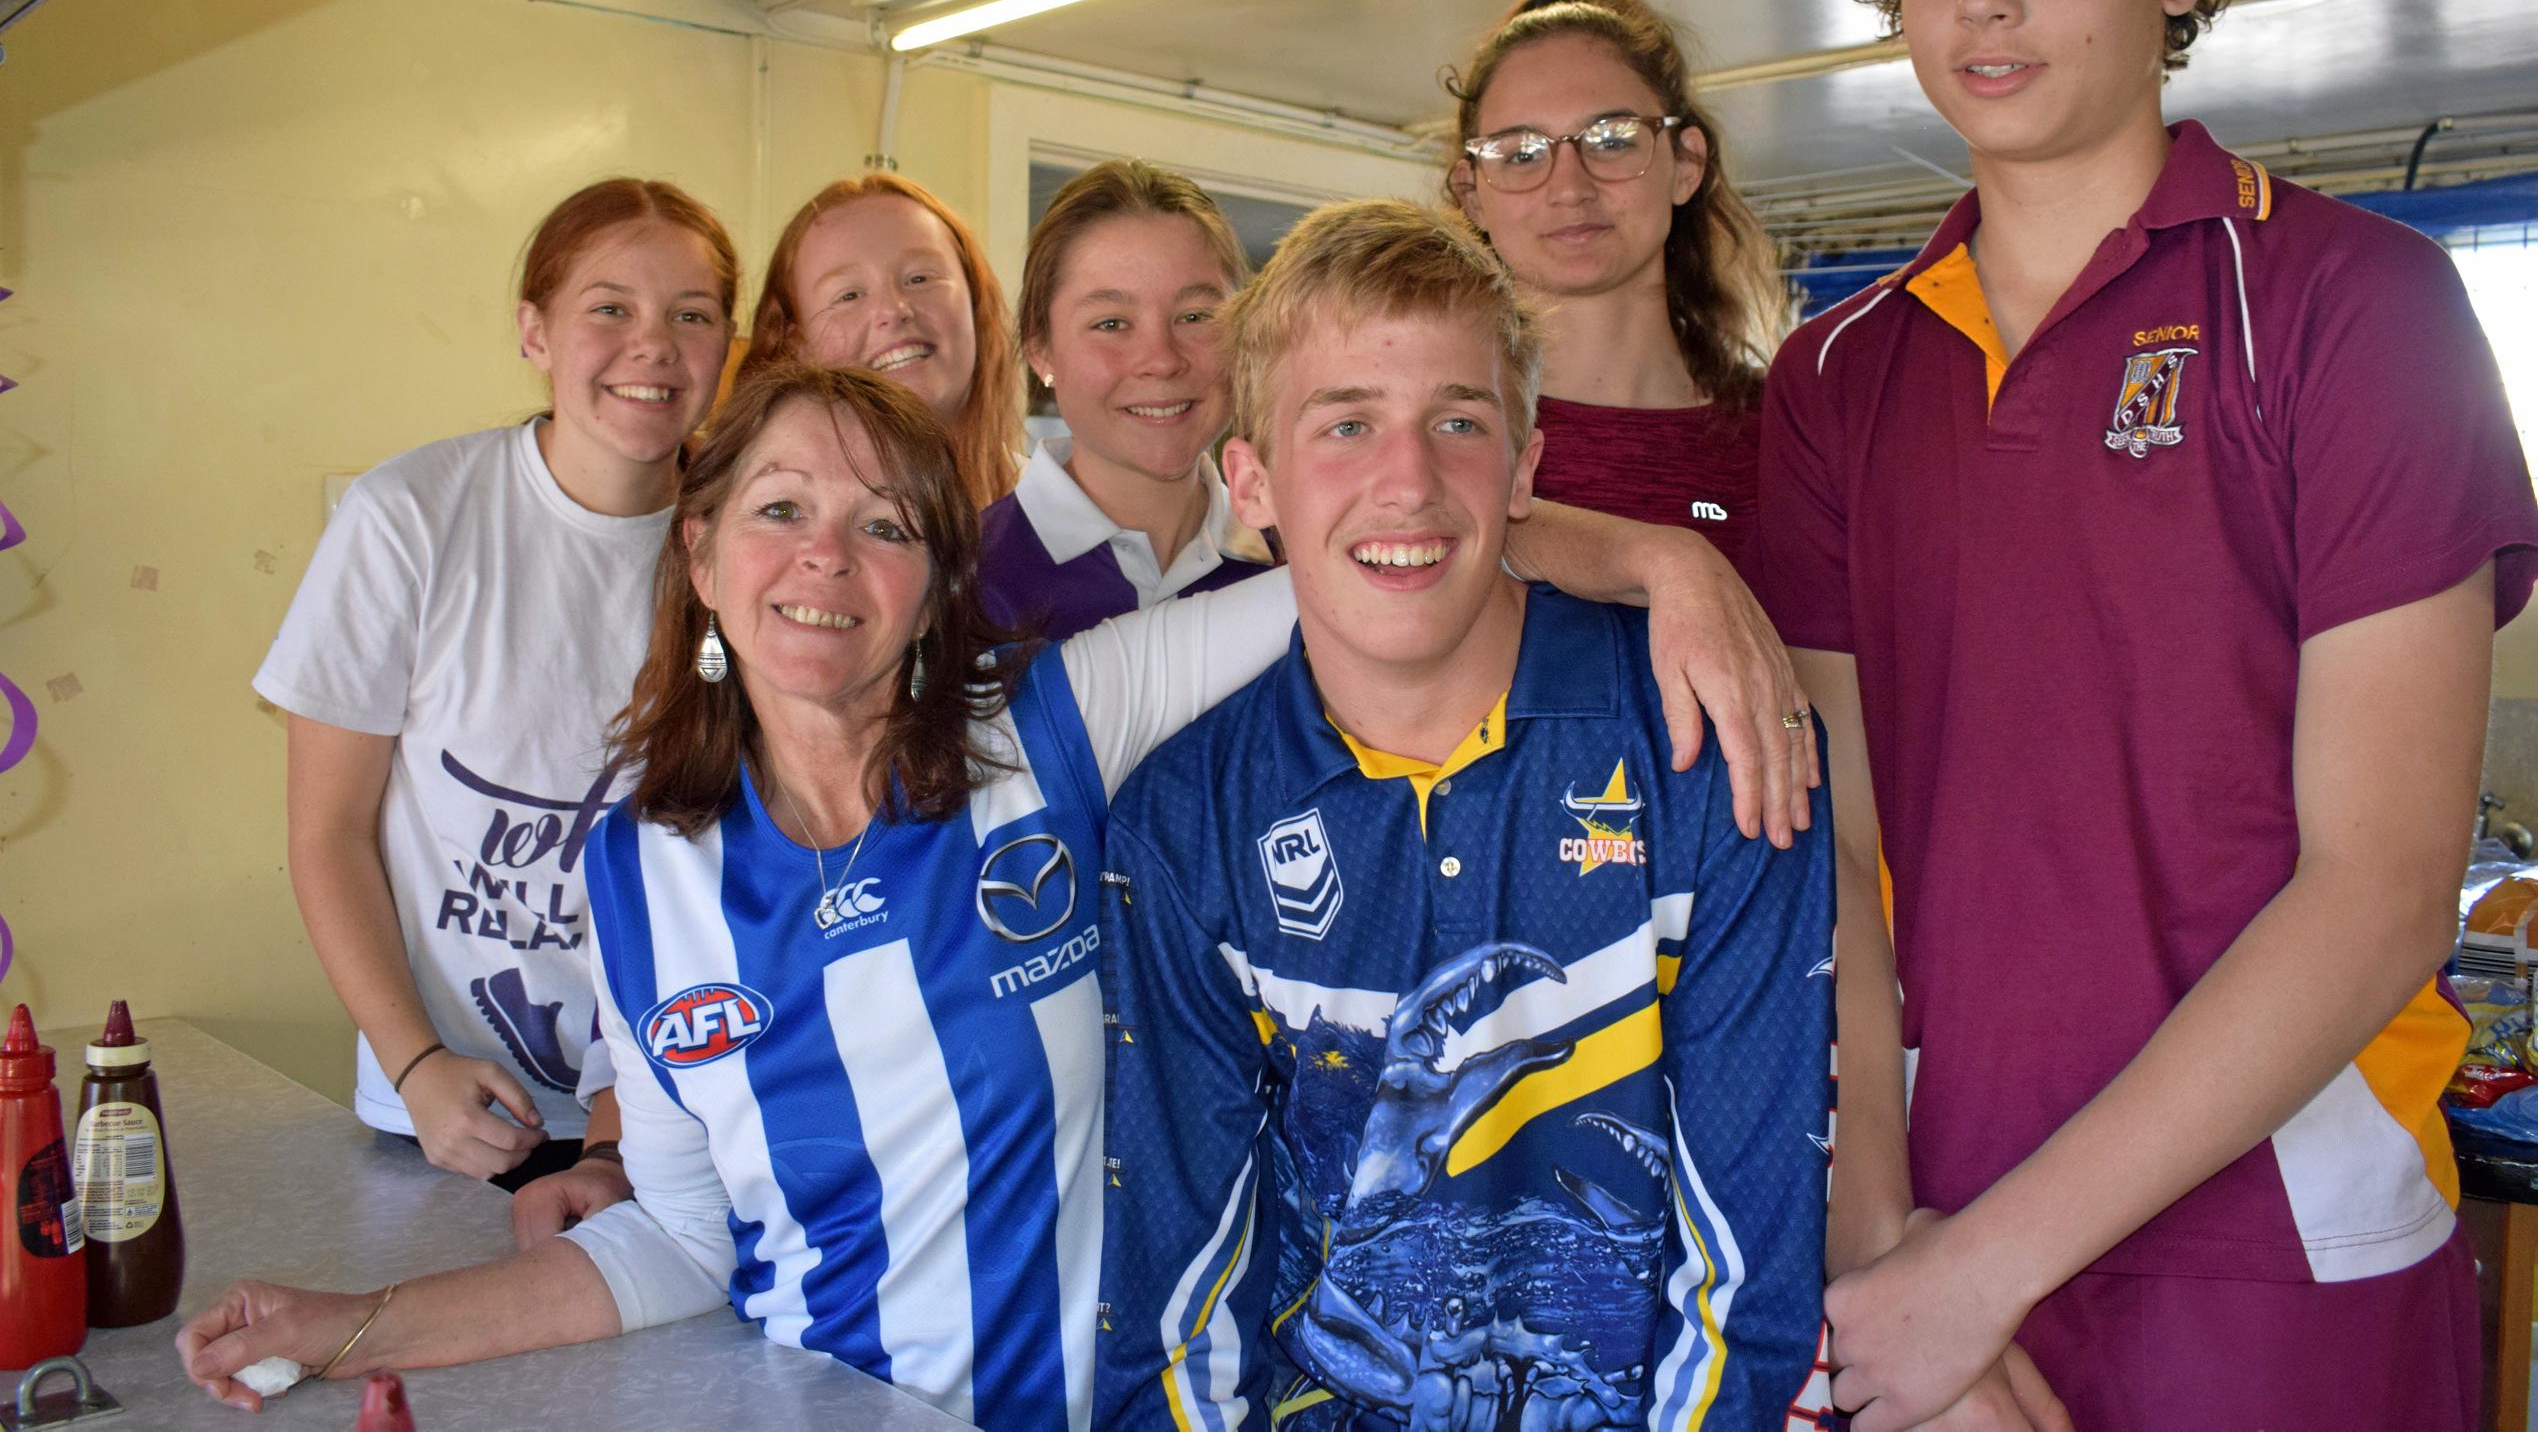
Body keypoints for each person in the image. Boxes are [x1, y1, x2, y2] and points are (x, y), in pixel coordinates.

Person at [183, 361, 1814, 1425]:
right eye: (779, 511)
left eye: (881, 523)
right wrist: (362, 1320)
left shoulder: (1052, 725)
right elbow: (683, 1237)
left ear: (929, 582)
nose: (824, 557)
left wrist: (1672, 561)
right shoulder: (635, 868)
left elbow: (1382, 555)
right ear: (698, 553)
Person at [1759, 0, 2538, 1427]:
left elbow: (2382, 883)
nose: (1984, 1)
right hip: (1928, 1213)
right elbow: (1831, 850)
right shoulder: (1832, 372)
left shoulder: (2352, 306)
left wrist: (1970, 1275)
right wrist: (1884, 1246)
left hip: (2276, 1239)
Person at [1097, 199, 1834, 1430]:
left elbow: (1748, 1273)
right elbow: (1179, 1293)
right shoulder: (1183, 823)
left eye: (1459, 421)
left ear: (1527, 463)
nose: (1408, 481)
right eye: (1346, 425)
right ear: (1252, 480)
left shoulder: (1703, 744)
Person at [251, 179, 739, 1201]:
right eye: (610, 308)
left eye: (691, 315)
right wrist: (414, 1063)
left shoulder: (755, 542)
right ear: (535, 331)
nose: (652, 345)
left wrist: (618, 1131)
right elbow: (326, 832)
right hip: (450, 1113)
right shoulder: (411, 516)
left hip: (688, 1108)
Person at [1445, 0, 1791, 576]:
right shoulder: (1423, 432)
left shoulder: (1790, 436)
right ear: (1473, 195)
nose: (1569, 187)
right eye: (1521, 153)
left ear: (1686, 165)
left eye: (1611, 141)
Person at [980, 159, 1266, 640]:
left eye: (1196, 317)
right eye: (1111, 323)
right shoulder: (964, 582)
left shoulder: (1295, 562)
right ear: (1041, 351)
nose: (1161, 359)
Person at [741, 172, 1024, 507]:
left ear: (976, 303)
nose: (893, 309)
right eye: (848, 295)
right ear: (795, 344)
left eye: (920, 278)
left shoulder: (1055, 519)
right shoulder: (760, 531)